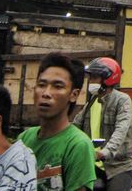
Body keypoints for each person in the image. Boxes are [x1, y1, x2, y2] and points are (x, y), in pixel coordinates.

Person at [18, 52, 97, 191]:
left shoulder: (78, 145)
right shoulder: (24, 138)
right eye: (42, 84)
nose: (46, 93)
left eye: (58, 86)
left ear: (74, 95)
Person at [74, 58, 132, 191]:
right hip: (93, 165)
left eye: (94, 77)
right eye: (90, 77)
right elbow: (75, 127)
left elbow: (121, 129)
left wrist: (105, 152)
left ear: (107, 79)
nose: (90, 81)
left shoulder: (122, 100)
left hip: (119, 166)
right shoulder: (91, 102)